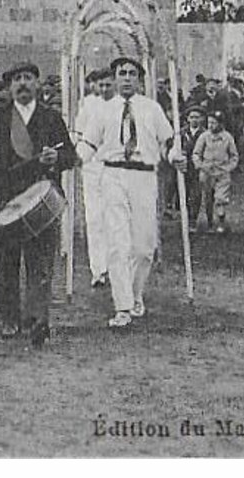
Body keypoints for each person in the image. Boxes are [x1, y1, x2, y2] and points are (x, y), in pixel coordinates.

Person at [0, 63, 77, 346]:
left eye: (28, 78)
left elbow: (70, 155)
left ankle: (37, 318)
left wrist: (58, 159)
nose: (23, 84)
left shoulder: (51, 118)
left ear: (37, 83)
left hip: (41, 198)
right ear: (9, 87)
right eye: (17, 79)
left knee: (41, 262)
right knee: (7, 263)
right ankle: (9, 318)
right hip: (5, 199)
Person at [74, 56, 177, 328]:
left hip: (144, 176)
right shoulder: (103, 111)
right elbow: (88, 145)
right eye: (122, 73)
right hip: (113, 175)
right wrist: (70, 159)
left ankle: (134, 294)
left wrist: (175, 154)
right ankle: (122, 306)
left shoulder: (151, 109)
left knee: (144, 247)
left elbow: (167, 141)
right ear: (116, 77)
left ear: (140, 79)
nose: (127, 78)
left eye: (132, 73)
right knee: (118, 243)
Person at [75, 67, 116, 286]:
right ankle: (98, 269)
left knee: (116, 217)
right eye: (100, 84)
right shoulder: (89, 105)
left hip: (117, 168)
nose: (104, 88)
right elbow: (79, 134)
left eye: (108, 84)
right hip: (92, 166)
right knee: (95, 218)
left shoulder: (122, 105)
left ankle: (116, 265)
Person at [192, 111, 238, 234]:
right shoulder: (204, 137)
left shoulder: (227, 137)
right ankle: (210, 222)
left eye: (214, 123)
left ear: (220, 124)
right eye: (209, 123)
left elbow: (234, 156)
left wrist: (228, 168)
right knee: (208, 198)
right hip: (206, 172)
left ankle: (221, 223)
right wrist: (200, 165)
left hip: (222, 172)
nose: (211, 125)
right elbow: (196, 153)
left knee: (220, 198)